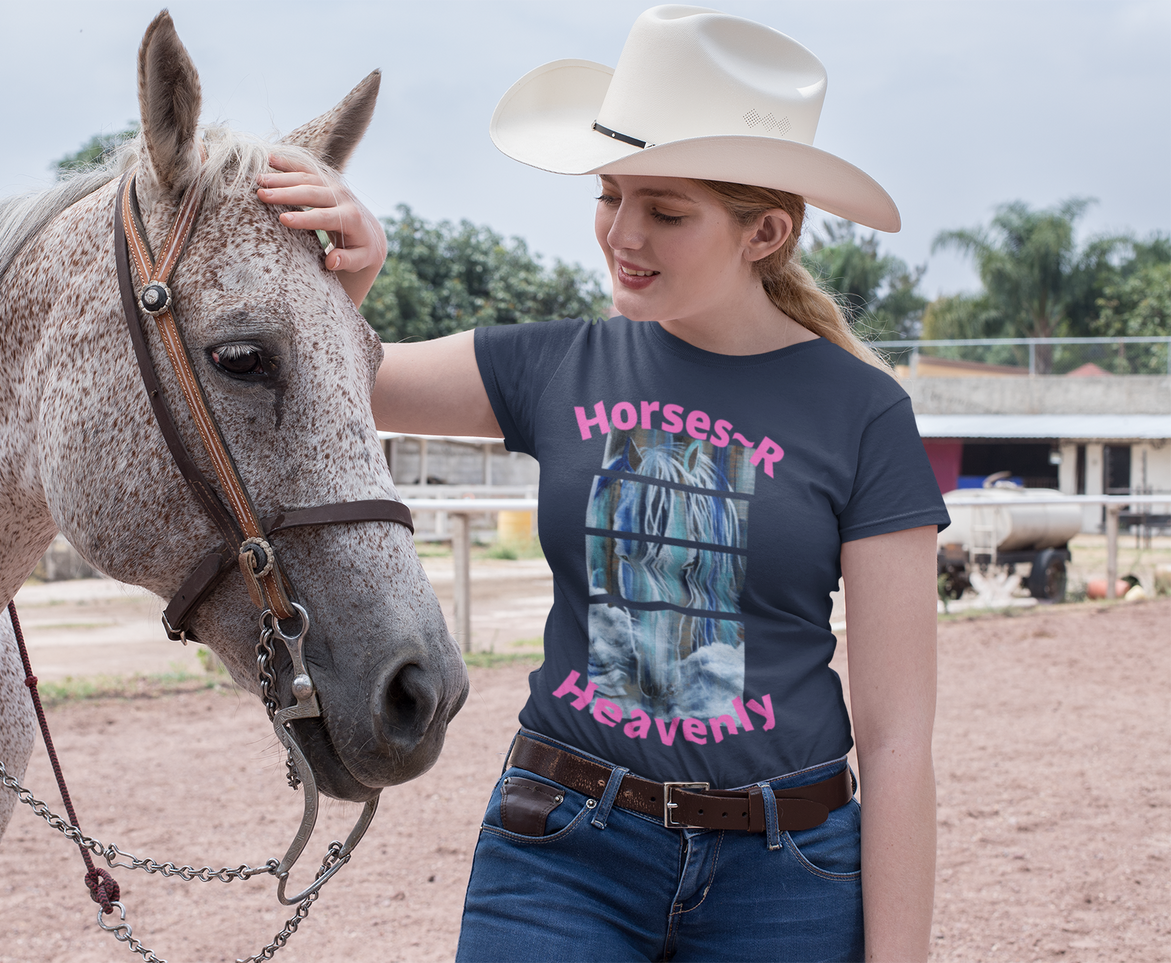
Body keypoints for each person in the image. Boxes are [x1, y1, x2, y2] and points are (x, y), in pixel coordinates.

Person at [257, 7, 948, 961]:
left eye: (666, 211)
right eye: (609, 194)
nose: (621, 233)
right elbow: (335, 383)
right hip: (563, 847)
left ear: (765, 231)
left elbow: (898, 736)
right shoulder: (553, 365)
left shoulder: (863, 413)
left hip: (786, 871)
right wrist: (354, 277)